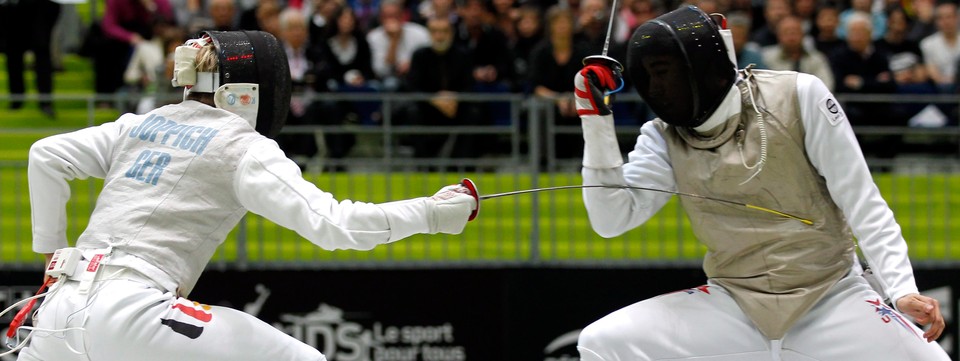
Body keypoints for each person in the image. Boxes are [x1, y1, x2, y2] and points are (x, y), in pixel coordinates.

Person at [15, 30, 477, 361]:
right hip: (135, 309)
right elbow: (337, 225)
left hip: (55, 311)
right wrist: (433, 213)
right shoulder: (243, 146)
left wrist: (55, 254)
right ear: (251, 93)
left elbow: (46, 156)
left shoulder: (141, 123)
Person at [573, 6, 949, 360]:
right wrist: (596, 121)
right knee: (601, 343)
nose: (659, 88)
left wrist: (901, 290)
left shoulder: (799, 96)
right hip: (734, 306)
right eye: (651, 76)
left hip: (832, 298)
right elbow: (611, 220)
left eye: (666, 72)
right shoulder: (662, 136)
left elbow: (863, 202)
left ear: (703, 68)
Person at [0, 0, 61, 117]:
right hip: (12, 7)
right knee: (13, 54)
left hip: (42, 7)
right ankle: (16, 99)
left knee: (42, 52)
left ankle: (45, 100)